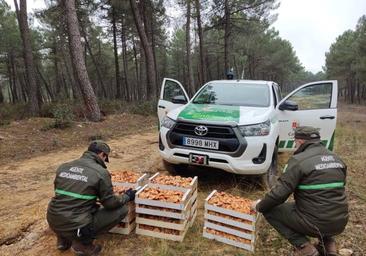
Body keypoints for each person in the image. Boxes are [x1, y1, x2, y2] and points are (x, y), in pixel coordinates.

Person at [253, 126, 348, 256]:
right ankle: (329, 247)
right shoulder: (337, 159)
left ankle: (306, 248)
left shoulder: (299, 161)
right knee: (326, 206)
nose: (295, 145)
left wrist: (259, 206)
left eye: (295, 142)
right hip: (340, 221)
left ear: (300, 142)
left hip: (315, 223)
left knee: (270, 209)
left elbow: (279, 195)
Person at [47, 140, 136, 256]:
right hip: (76, 223)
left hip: (53, 219)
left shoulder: (63, 167)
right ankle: (83, 244)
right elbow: (110, 204)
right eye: (105, 158)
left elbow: (66, 196)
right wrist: (126, 196)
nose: (104, 161)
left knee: (68, 210)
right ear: (102, 154)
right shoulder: (101, 172)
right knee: (122, 210)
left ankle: (63, 238)